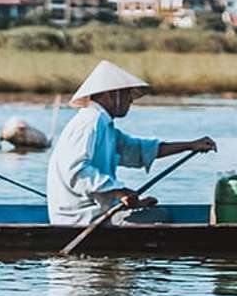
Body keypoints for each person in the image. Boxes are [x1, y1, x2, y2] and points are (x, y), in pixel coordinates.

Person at [46, 60, 216, 225]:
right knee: (160, 216)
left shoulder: (106, 126)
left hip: (97, 212)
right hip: (80, 218)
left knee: (156, 213)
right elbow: (77, 171)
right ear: (110, 95)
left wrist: (190, 145)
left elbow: (138, 150)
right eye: (127, 94)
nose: (131, 100)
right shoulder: (90, 122)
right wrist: (119, 191)